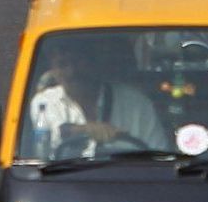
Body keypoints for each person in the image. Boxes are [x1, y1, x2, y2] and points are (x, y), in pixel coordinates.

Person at [23, 42, 168, 160]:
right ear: (53, 71)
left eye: (78, 62)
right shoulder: (45, 103)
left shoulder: (137, 105)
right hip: (65, 185)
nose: (72, 72)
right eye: (63, 64)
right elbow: (48, 137)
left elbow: (161, 157)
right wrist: (87, 130)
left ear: (94, 63)